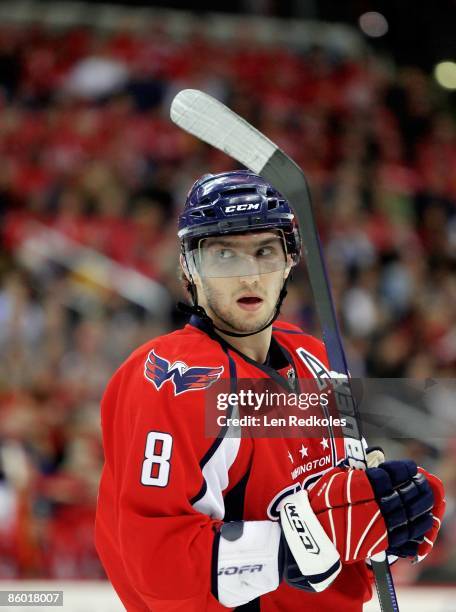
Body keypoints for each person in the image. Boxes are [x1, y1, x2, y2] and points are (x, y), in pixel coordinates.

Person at [95, 171, 445, 612]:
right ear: (190, 265)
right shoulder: (170, 376)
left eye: (265, 251)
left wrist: (391, 515)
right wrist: (289, 549)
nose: (250, 276)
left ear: (290, 259)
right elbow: (153, 560)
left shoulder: (315, 358)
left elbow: (339, 520)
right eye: (224, 255)